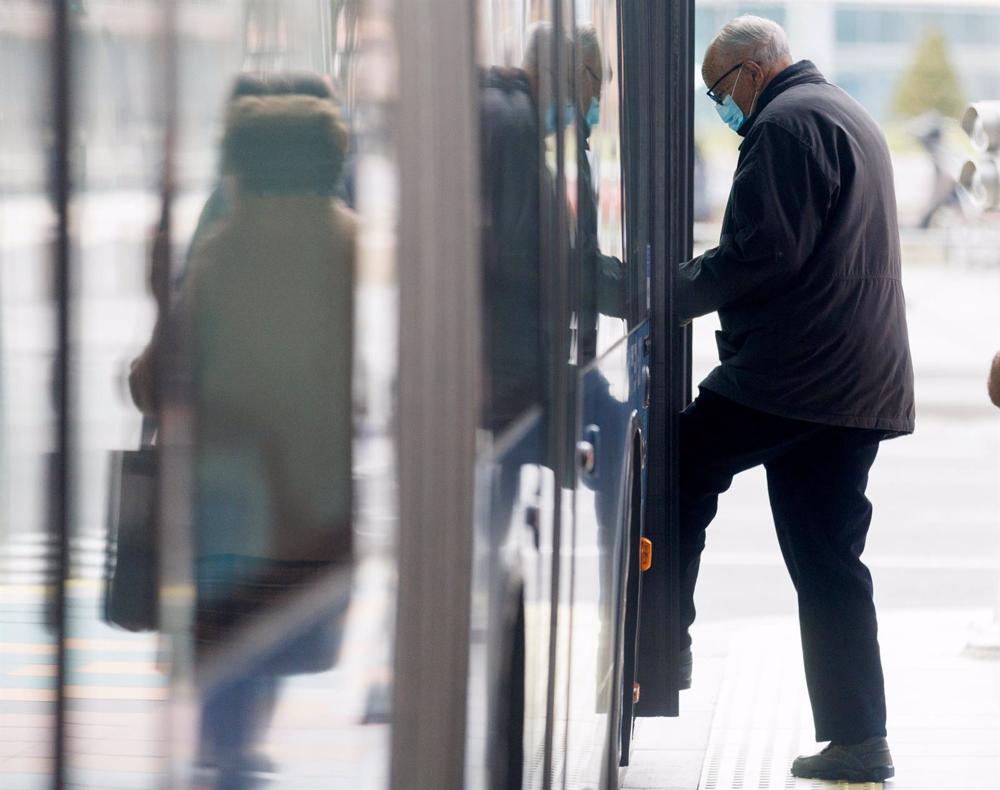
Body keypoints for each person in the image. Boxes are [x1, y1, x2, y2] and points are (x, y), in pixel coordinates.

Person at [675, 16, 914, 783]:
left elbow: (760, 255)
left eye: (719, 90)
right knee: (828, 560)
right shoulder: (842, 111)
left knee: (678, 466)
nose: (722, 105)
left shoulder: (784, 124)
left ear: (753, 68)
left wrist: (653, 290)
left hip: (800, 373)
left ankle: (660, 641)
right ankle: (857, 738)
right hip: (853, 379)